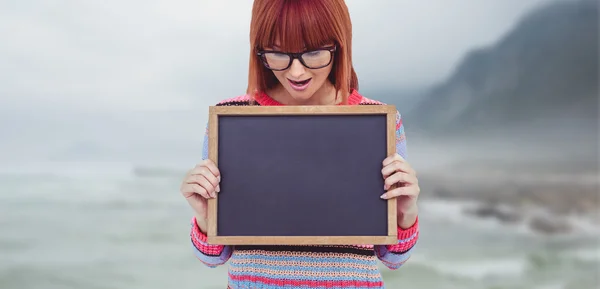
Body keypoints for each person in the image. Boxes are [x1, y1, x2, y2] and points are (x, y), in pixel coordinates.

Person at [180, 0, 420, 288]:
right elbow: (212, 258)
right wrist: (206, 216)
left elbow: (393, 258)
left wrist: (406, 212)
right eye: (278, 54)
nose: (296, 72)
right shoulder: (229, 121)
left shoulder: (379, 122)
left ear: (339, 44)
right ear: (260, 49)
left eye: (314, 53)